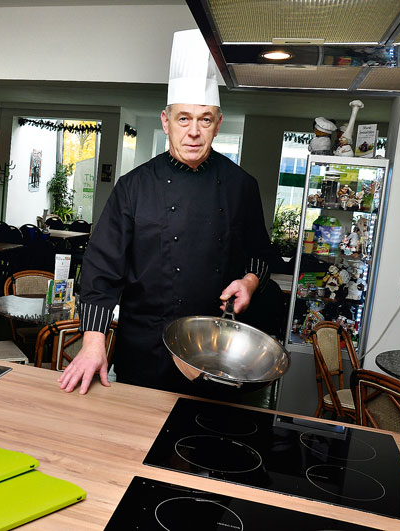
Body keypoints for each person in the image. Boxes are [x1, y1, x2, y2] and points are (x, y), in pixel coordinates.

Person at [58, 29, 274, 395]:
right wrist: (94, 344)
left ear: (218, 124)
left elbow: (260, 254)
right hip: (147, 348)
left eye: (204, 120)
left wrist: (249, 282)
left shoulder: (241, 186)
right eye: (183, 119)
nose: (193, 132)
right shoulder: (134, 187)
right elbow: (100, 270)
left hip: (218, 355)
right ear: (165, 120)